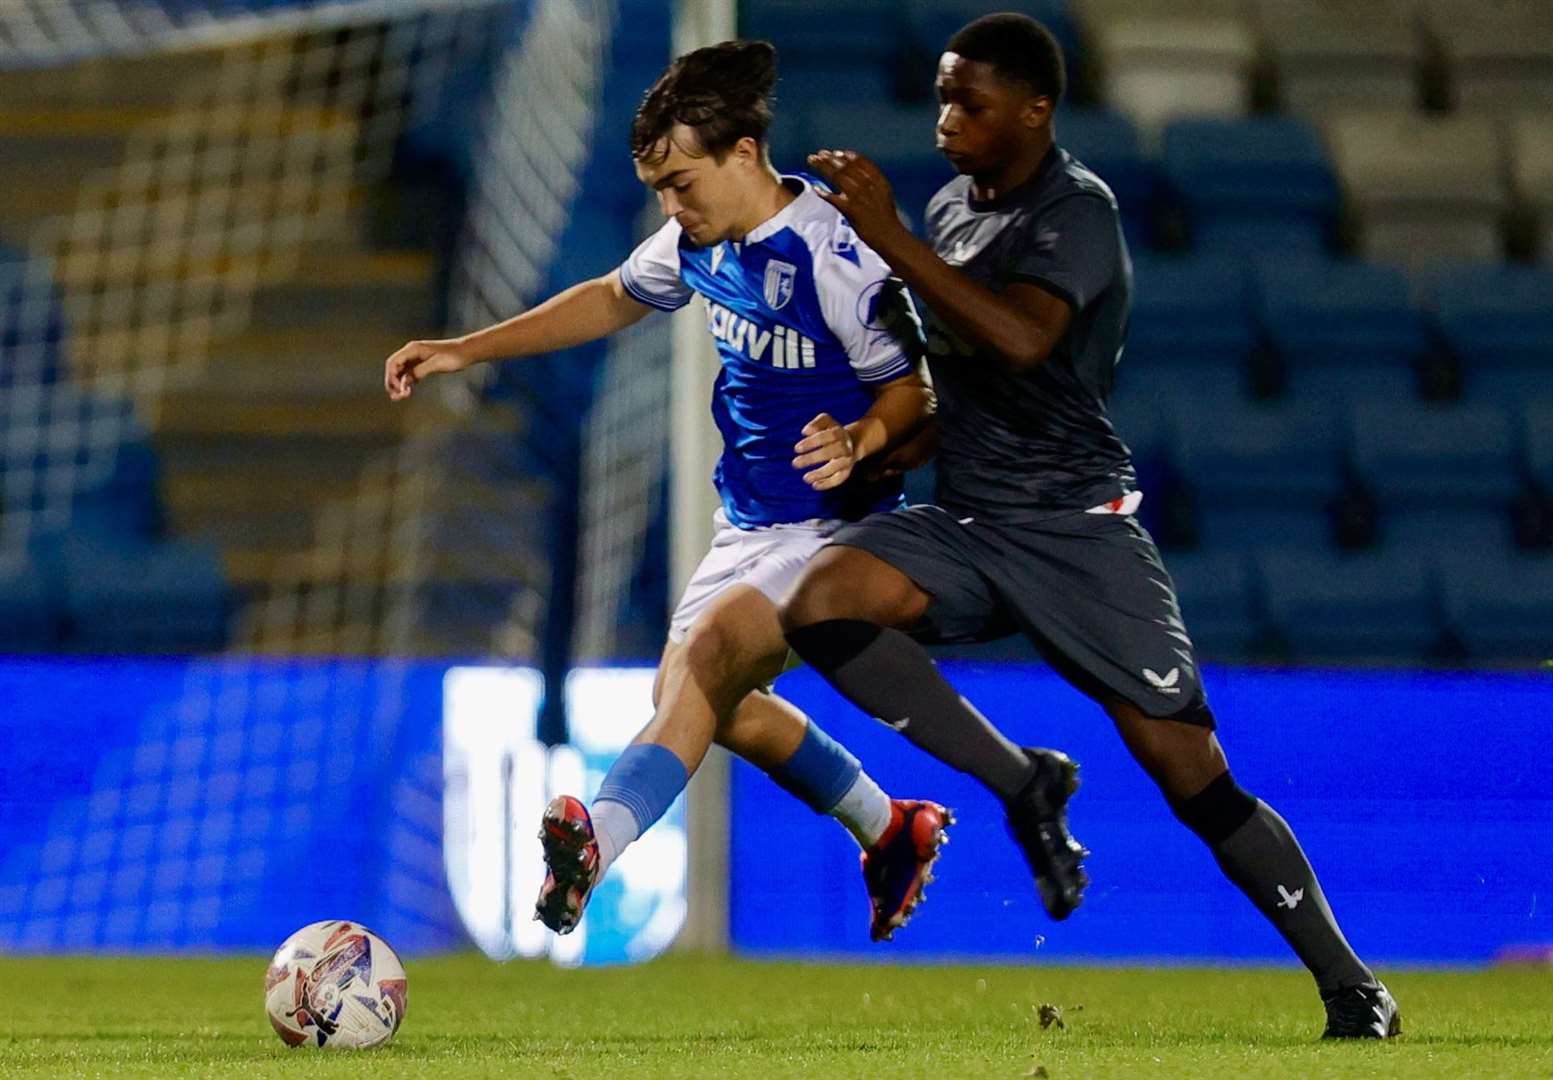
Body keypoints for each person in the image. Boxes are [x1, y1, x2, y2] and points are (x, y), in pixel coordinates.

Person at [780, 13, 1399, 1039]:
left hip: (1074, 532)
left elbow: (1022, 342)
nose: (945, 120)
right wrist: (885, 446)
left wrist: (888, 241)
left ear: (1033, 109)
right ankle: (1021, 781)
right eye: (939, 96)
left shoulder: (1074, 212)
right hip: (970, 519)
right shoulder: (947, 209)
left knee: (1190, 775)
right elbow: (960, 379)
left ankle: (1348, 984)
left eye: (966, 102)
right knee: (821, 603)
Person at [384, 41, 950, 944]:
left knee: (709, 659)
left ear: (743, 155)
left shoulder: (837, 254)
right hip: (751, 525)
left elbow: (917, 388)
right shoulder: (699, 239)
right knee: (701, 699)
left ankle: (593, 849)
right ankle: (890, 828)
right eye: (658, 189)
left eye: (681, 183)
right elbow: (611, 295)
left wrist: (863, 438)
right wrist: (466, 348)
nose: (670, 206)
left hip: (845, 530)